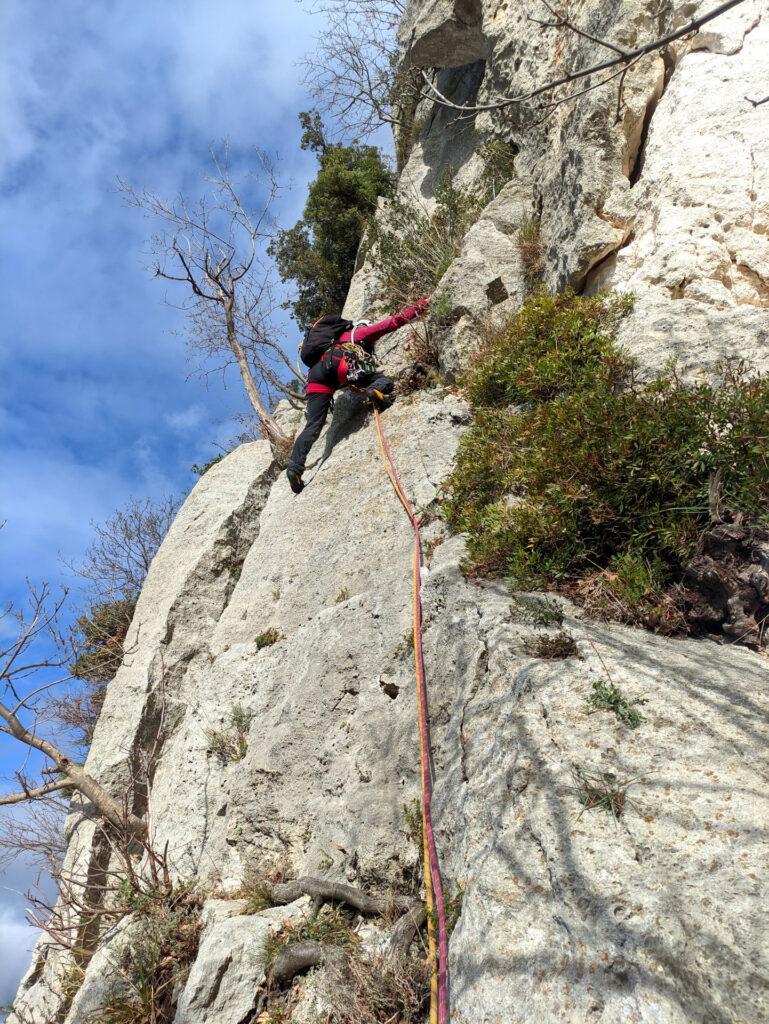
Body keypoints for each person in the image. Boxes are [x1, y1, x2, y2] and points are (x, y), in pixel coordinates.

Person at [286, 298, 430, 494]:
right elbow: (393, 322)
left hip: (316, 377)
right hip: (339, 363)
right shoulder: (356, 333)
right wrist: (422, 305)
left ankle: (295, 467)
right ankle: (375, 389)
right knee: (382, 379)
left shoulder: (327, 341)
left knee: (313, 424)